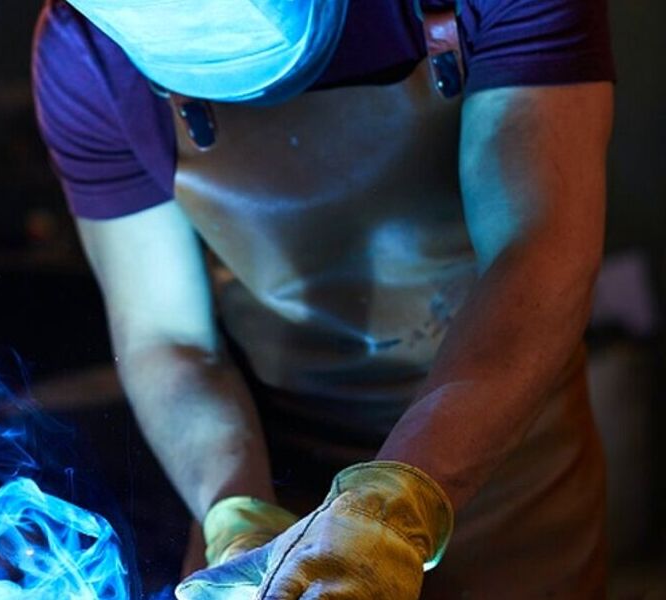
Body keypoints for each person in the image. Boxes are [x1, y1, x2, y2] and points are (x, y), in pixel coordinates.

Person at [32, 0, 615, 597]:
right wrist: (237, 520)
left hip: (508, 464)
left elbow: (537, 257)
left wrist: (395, 505)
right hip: (274, 473)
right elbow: (167, 338)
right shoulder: (86, 51)